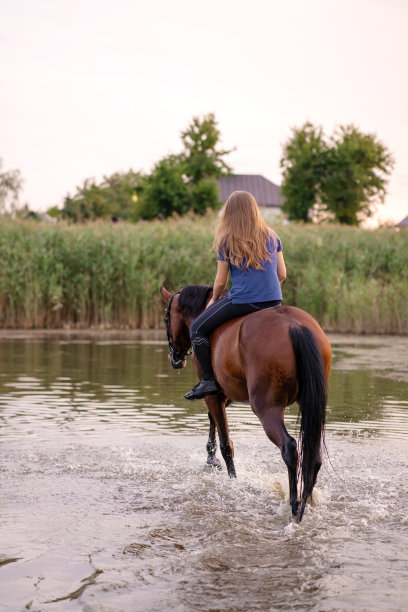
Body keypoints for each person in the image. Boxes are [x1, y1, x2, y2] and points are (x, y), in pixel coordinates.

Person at [185, 190, 287, 401]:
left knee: (196, 328)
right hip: (274, 301)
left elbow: (221, 282)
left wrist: (214, 300)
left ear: (229, 213)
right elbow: (282, 274)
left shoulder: (227, 241)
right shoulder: (272, 236)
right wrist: (267, 291)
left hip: (244, 301)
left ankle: (209, 381)